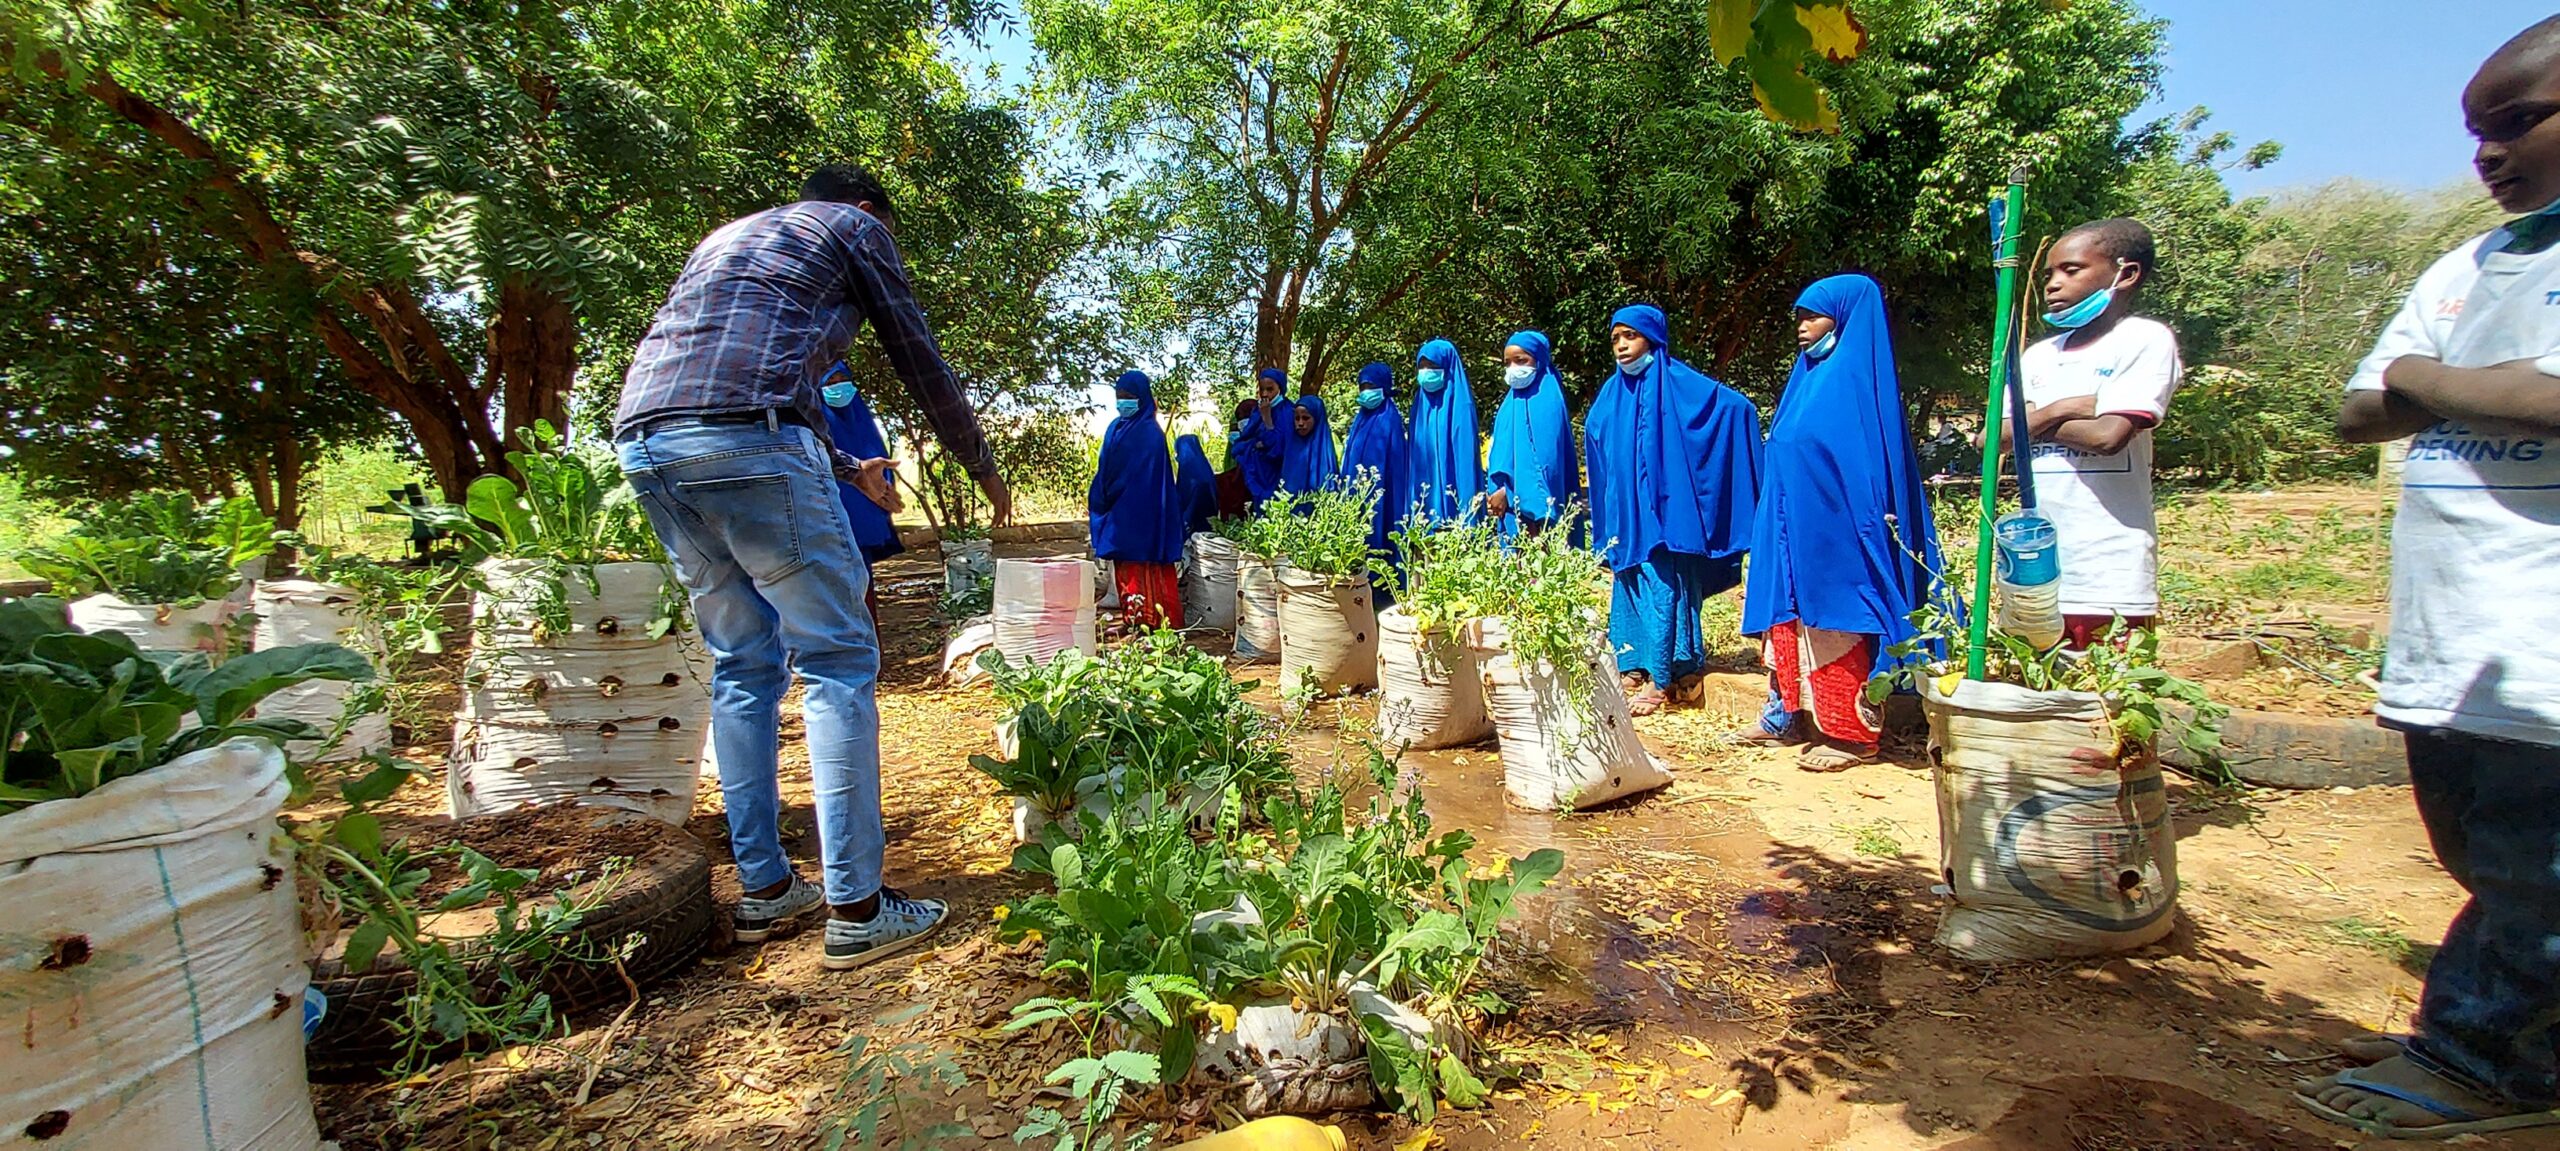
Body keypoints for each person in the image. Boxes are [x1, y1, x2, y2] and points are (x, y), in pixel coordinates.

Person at [615, 162, 1006, 969]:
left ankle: (765, 888)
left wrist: (840, 464)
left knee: (742, 664)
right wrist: (980, 462)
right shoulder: (853, 227)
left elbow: (728, 392)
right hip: (749, 442)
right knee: (835, 659)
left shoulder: (725, 239)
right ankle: (859, 907)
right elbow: (916, 354)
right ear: (868, 208)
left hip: (648, 447)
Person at [2299, 16, 2560, 1139]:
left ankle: (2489, 1066)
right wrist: (2468, 378)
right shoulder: (2469, 263)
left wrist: (2425, 376)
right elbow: (2361, 407)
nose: (2487, 156)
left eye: (2515, 124)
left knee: (2532, 865)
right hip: (2447, 630)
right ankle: (2486, 1026)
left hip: (2540, 630)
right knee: (2478, 853)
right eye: (2475, 135)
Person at [1740, 275, 1944, 771]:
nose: (1803, 328)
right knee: (1787, 623)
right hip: (1791, 529)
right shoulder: (1804, 382)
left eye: (1814, 316)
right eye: (1799, 318)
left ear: (1847, 319)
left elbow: (1865, 470)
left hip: (1836, 534)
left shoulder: (1855, 385)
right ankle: (1787, 714)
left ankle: (1851, 735)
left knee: (1838, 624)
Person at [1586, 304, 1762, 717]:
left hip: (1664, 512)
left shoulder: (1679, 384)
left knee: (1662, 585)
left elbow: (1734, 409)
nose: (1622, 346)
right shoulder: (1612, 393)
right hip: (1627, 511)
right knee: (1629, 582)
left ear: (1653, 338)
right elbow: (1597, 437)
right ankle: (1636, 664)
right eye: (1615, 339)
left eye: (1631, 336)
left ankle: (1662, 678)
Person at [2015, 217, 2182, 650]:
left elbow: (2109, 436)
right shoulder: (2038, 357)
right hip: (2036, 563)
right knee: (2039, 688)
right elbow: (1989, 441)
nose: (2052, 284)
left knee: (2107, 702)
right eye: (2049, 274)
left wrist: (2033, 423)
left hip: (2108, 564)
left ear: (2125, 274)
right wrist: (2065, 407)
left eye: (2071, 270)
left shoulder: (2143, 341)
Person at [1089, 370, 1185, 630]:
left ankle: (1157, 624)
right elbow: (1106, 468)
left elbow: (1150, 479)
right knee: (1125, 570)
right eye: (1119, 396)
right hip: (1119, 512)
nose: (1123, 402)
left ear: (1142, 398)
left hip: (1145, 513)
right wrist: (1102, 497)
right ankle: (1132, 620)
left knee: (1147, 568)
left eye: (1129, 397)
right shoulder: (1115, 428)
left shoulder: (1151, 435)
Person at [817, 364, 907, 619]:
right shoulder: (813, 426)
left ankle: (871, 657)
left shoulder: (860, 419)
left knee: (862, 603)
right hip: (824, 527)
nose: (839, 387)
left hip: (862, 527)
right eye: (830, 382)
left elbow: (878, 462)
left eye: (843, 379)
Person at [1485, 330, 1582, 541]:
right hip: (1507, 511)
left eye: (1520, 360)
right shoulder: (1508, 406)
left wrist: (1508, 493)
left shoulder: (1548, 402)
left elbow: (1544, 464)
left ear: (1538, 361)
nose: (1513, 369)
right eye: (1507, 363)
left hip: (1537, 515)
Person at [1340, 361, 1412, 599]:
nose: (1365, 391)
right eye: (1362, 386)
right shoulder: (1360, 420)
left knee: (1380, 538)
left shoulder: (1389, 419)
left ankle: (1382, 595)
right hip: (1357, 493)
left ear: (1383, 387)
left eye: (1370, 385)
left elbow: (1392, 465)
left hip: (1382, 494)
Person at [1407, 339, 1485, 524]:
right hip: (1424, 494)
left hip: (1454, 491)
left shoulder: (1461, 405)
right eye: (1422, 366)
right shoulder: (1419, 405)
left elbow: (1464, 460)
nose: (1426, 372)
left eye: (1432, 365)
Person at [1230, 368, 1293, 507]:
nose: (1265, 394)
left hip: (1277, 475)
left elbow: (1280, 450)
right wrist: (1254, 444)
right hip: (1257, 473)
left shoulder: (1288, 412)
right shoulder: (1257, 411)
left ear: (1280, 388)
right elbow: (1245, 439)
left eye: (1270, 389)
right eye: (1261, 390)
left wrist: (1267, 419)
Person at [1279, 392, 1339, 502]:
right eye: (1297, 418)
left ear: (1317, 419)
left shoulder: (1324, 452)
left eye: (1306, 418)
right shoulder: (1291, 449)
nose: (1300, 423)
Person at [1173, 433, 1220, 538]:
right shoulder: (1193, 471)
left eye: (1178, 452)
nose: (1177, 456)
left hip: (1200, 531)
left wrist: (1185, 521)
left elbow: (1194, 503)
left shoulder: (1199, 479)